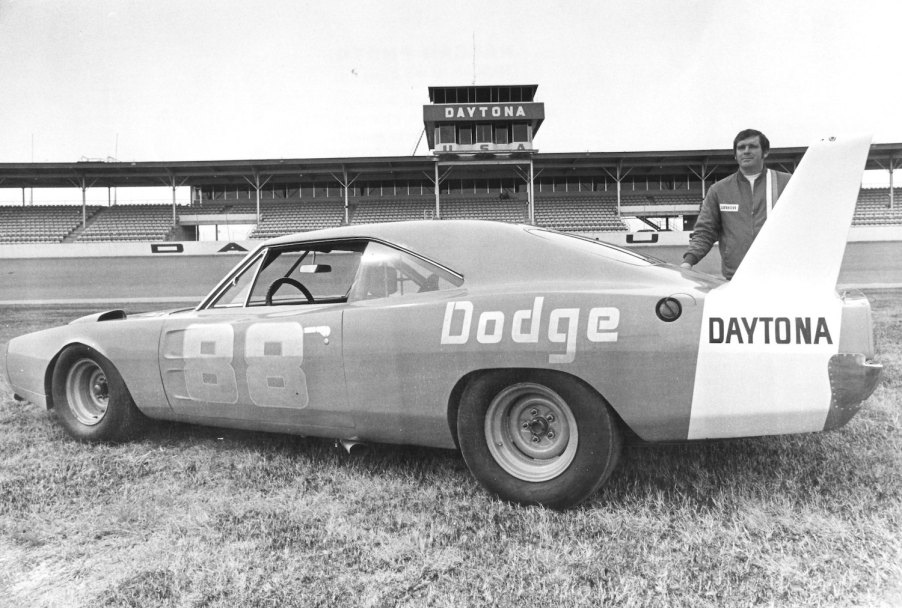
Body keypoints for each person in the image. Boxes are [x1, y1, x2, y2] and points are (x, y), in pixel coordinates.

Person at [681, 129, 792, 279]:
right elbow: (705, 231)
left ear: (765, 152)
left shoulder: (788, 183)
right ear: (735, 155)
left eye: (752, 146)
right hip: (736, 277)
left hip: (780, 274)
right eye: (741, 147)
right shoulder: (719, 190)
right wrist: (689, 261)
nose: (746, 151)